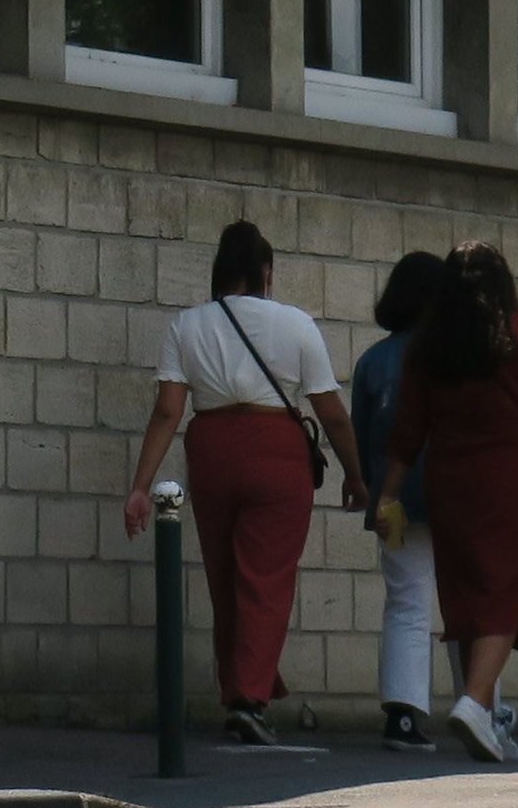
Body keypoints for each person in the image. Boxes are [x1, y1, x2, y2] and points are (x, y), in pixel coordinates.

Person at [119, 220, 362, 746]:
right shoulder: (296, 324)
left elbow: (167, 411)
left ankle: (242, 688)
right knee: (267, 577)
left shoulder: (186, 326)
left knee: (226, 576)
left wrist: (141, 486)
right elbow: (333, 414)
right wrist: (357, 476)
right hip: (276, 451)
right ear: (266, 272)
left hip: (211, 452)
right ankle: (248, 699)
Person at [377, 243, 518, 764]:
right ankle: (475, 703)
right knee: (506, 594)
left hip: (449, 482)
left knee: (467, 597)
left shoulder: (428, 347)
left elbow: (408, 430)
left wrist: (388, 491)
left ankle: (488, 719)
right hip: (509, 482)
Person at [350, 250, 454, 752]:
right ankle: (479, 708)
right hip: (454, 492)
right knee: (468, 607)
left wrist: (370, 493)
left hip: (394, 496)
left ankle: (404, 716)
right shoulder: (455, 356)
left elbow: (363, 435)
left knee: (406, 602)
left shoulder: (373, 360)